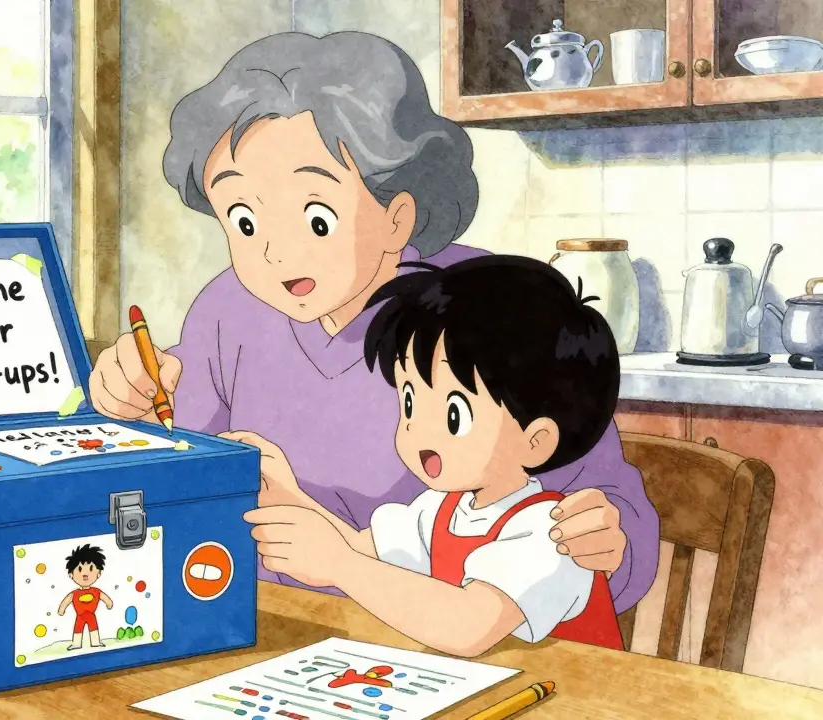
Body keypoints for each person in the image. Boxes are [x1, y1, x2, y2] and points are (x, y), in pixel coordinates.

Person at [88, 31, 659, 613]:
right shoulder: (225, 312)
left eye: (315, 218)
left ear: (397, 214)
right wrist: (125, 409)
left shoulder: (485, 306)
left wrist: (605, 539)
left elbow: (610, 512)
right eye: (244, 221)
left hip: (451, 643)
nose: (276, 255)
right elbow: (170, 488)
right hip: (268, 627)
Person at [243, 256, 628, 656]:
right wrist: (289, 494)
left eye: (453, 414)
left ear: (535, 441)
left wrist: (338, 565)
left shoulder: (551, 532)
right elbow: (359, 549)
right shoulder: (441, 509)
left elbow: (468, 627)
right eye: (410, 401)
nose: (419, 431)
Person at [57, 544, 113, 650]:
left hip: (91, 615)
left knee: (93, 627)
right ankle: (76, 644)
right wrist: (62, 609)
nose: (85, 574)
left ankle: (95, 642)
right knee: (78, 628)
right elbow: (67, 600)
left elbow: (104, 598)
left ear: (99, 573)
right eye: (79, 569)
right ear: (71, 575)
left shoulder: (96, 591)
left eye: (91, 568)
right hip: (80, 615)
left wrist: (108, 603)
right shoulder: (75, 594)